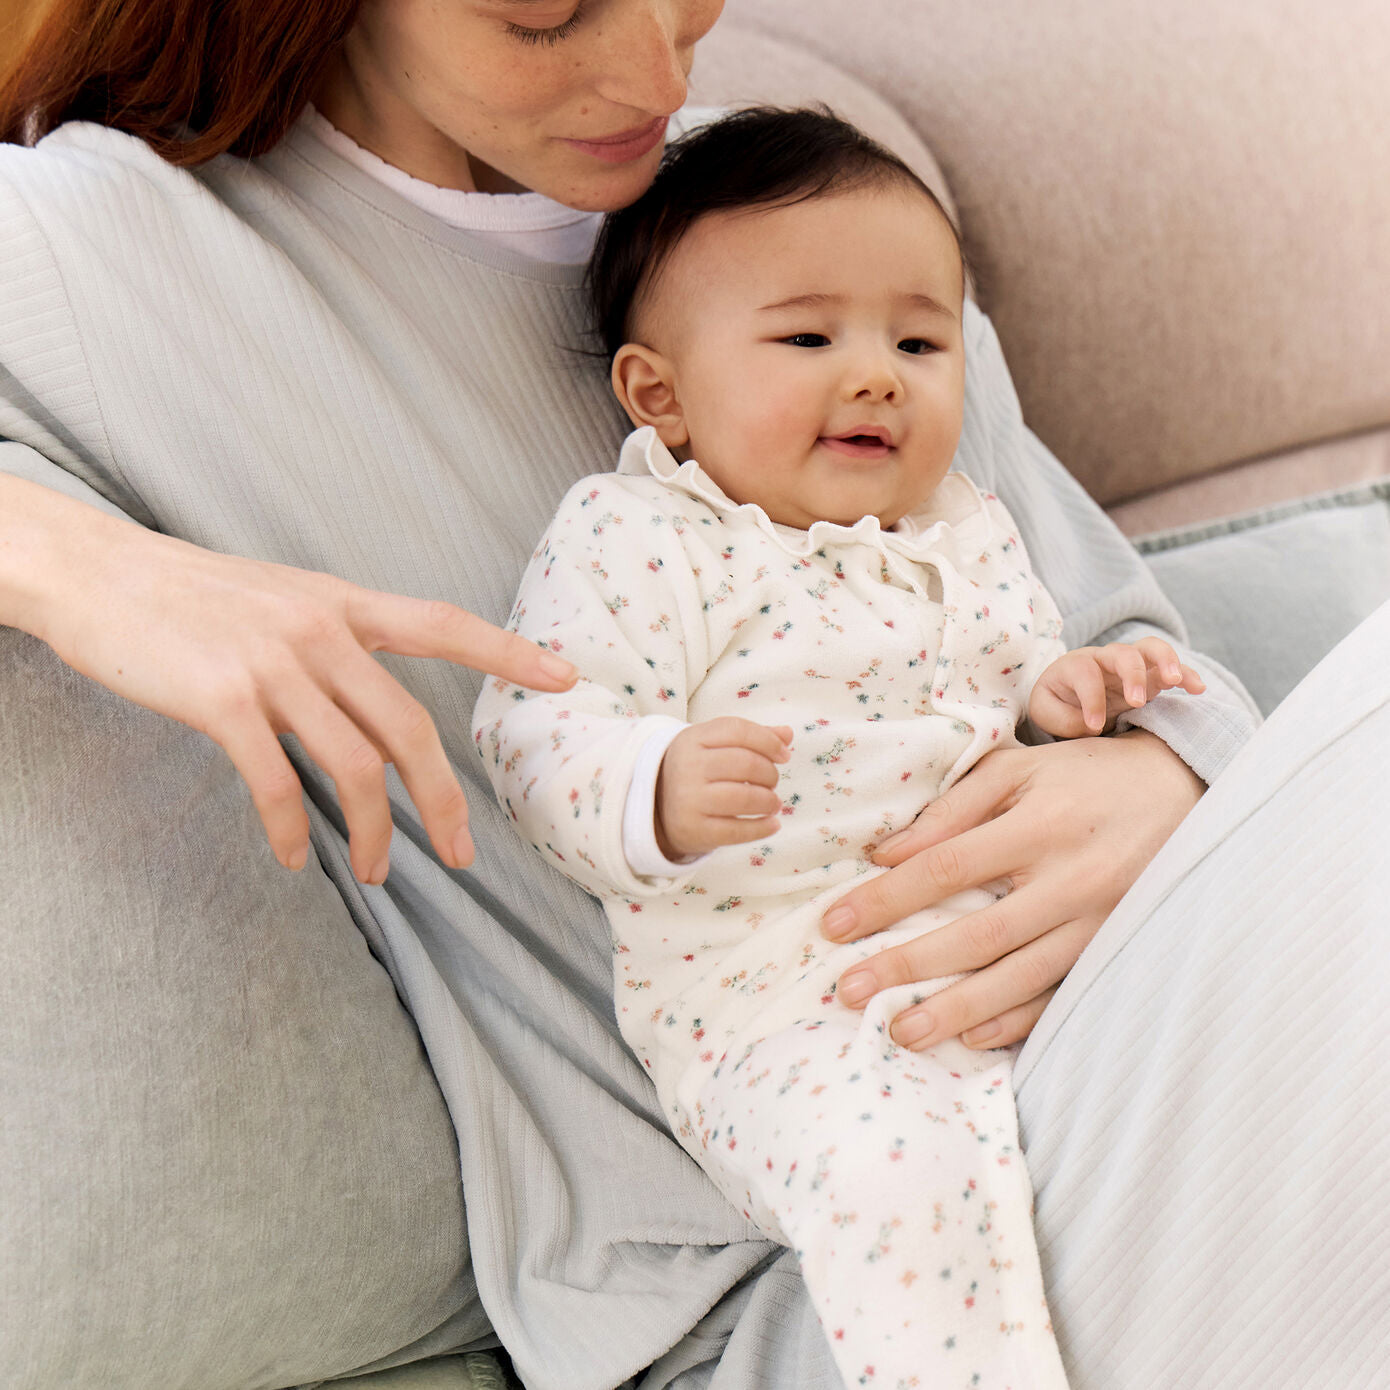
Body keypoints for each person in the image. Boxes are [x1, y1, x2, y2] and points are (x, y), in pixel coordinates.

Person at [0, 2, 1384, 1387]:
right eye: (546, 15)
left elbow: (1111, 632)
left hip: (1100, 1062)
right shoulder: (112, 256)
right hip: (811, 1274)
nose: (657, 74)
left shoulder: (807, 213)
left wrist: (1157, 769)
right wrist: (88, 569)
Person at [473, 106, 1210, 1389]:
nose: (876, 373)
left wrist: (1078, 689)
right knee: (898, 1186)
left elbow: (1013, 682)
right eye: (810, 337)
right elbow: (535, 728)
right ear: (662, 395)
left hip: (1019, 948)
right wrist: (652, 785)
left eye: (918, 341)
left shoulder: (962, 530)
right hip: (785, 1000)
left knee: (1199, 1071)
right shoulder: (642, 535)